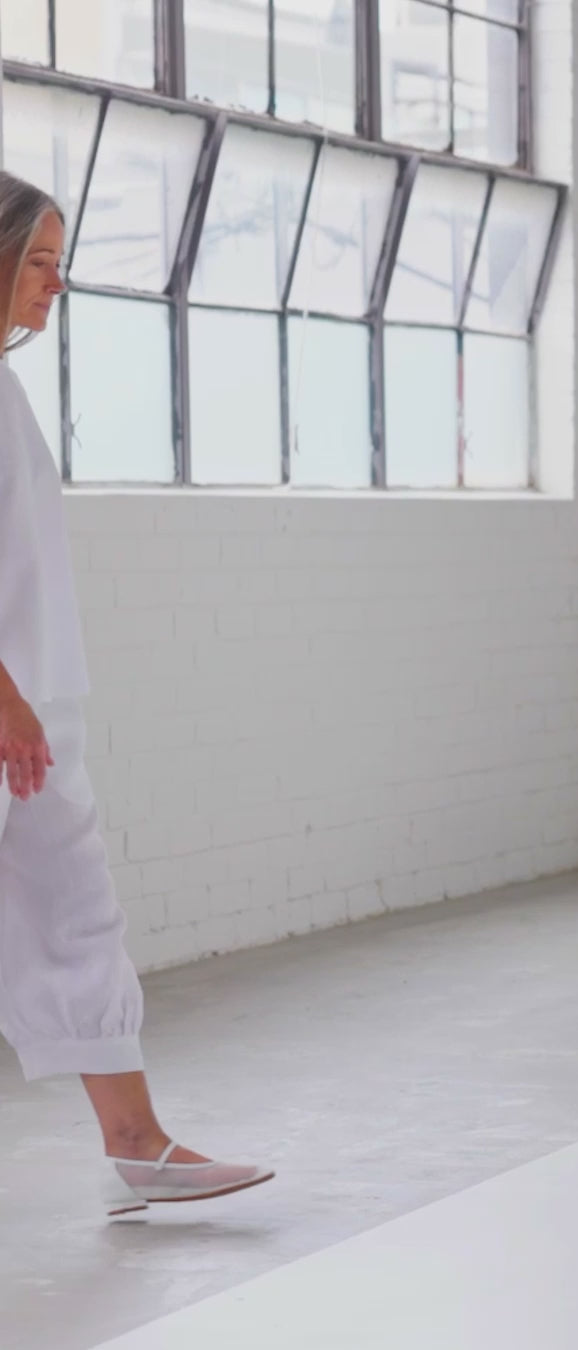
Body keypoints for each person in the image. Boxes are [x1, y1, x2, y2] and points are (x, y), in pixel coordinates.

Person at [0, 171, 274, 1218]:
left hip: (39, 710)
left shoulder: (5, 390)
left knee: (79, 914)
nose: (56, 282)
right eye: (38, 261)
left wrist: (33, 701)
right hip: (9, 707)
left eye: (59, 260)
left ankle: (137, 1144)